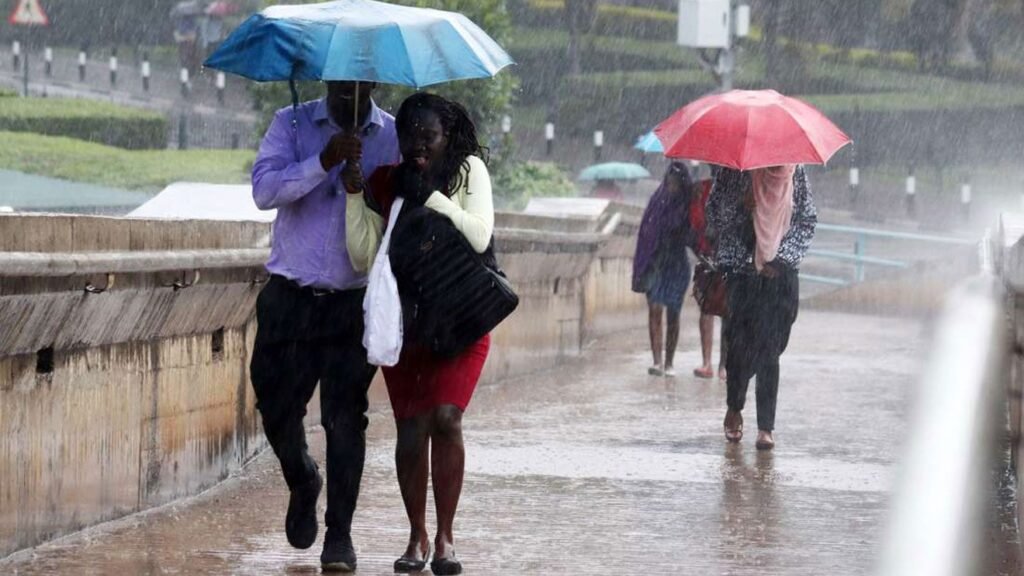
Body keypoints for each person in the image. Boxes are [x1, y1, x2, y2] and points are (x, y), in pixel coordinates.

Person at [249, 80, 400, 572]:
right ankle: (302, 478)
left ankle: (340, 535)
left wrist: (367, 188)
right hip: (289, 297)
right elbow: (264, 192)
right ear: (325, 76)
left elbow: (402, 212)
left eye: (358, 82)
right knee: (275, 408)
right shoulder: (289, 123)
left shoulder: (392, 137)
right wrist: (322, 162)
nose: (348, 91)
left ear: (373, 82)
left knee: (343, 418)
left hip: (350, 303)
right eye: (340, 81)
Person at [345, 92, 494, 576]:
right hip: (406, 324)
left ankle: (447, 536)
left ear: (447, 136)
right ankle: (416, 535)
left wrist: (429, 196)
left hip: (460, 318)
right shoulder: (387, 181)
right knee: (411, 429)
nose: (417, 146)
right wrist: (353, 195)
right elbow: (363, 256)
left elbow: (479, 235)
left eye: (427, 136)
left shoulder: (467, 171)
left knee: (447, 418)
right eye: (408, 135)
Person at [705, 165, 817, 450]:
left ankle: (765, 424)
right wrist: (741, 207)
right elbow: (714, 215)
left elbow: (807, 219)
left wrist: (780, 259)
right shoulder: (733, 171)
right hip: (742, 273)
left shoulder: (795, 171)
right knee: (739, 347)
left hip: (780, 275)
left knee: (771, 349)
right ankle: (736, 407)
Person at [632, 161, 696, 378]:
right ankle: (657, 361)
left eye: (677, 182)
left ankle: (669, 362)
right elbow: (646, 233)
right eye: (670, 181)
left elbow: (695, 233)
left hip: (677, 264)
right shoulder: (657, 201)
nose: (673, 186)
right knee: (655, 310)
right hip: (657, 263)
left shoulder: (688, 205)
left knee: (674, 315)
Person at [689, 176, 729, 380]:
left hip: (731, 258)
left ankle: (723, 364)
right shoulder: (702, 189)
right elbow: (695, 225)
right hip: (708, 256)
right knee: (707, 308)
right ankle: (708, 362)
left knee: (727, 313)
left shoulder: (739, 188)